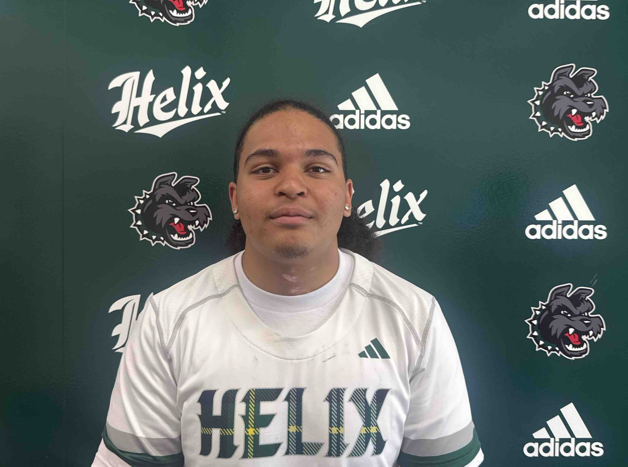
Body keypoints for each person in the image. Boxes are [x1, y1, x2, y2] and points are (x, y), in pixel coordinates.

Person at [92, 100, 483, 466]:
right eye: (265, 169)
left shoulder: (413, 317)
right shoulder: (169, 319)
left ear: (347, 196)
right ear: (235, 199)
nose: (292, 185)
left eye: (317, 169)